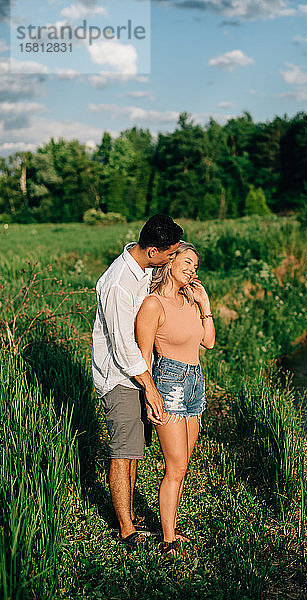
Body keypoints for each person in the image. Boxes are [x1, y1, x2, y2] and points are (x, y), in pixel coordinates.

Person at [91, 214, 183, 548]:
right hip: (120, 378)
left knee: (134, 450)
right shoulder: (119, 283)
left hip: (137, 376)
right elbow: (124, 346)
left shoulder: (143, 268)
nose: (171, 259)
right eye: (170, 254)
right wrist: (151, 387)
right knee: (122, 452)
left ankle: (131, 516)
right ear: (154, 250)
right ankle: (126, 529)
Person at [136, 241, 215, 555]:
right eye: (187, 262)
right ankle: (167, 539)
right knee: (176, 466)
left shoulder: (189, 298)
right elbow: (142, 356)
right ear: (169, 262)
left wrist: (204, 302)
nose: (192, 269)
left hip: (195, 382)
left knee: (183, 465)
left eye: (195, 265)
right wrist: (149, 393)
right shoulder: (153, 304)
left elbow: (207, 342)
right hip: (169, 382)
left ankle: (170, 528)